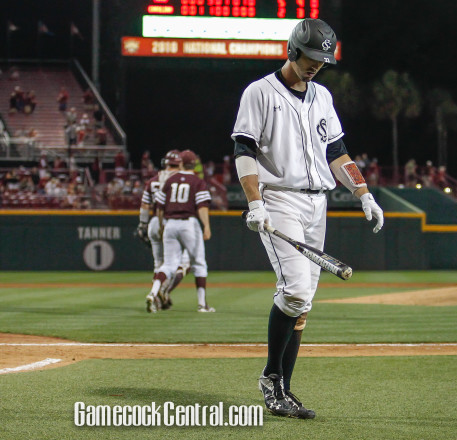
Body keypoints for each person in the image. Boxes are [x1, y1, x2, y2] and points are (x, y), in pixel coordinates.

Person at [231, 18, 384, 419]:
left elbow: (338, 153)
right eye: (312, 56)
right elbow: (244, 150)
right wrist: (254, 202)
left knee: (304, 303)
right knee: (296, 289)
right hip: (279, 200)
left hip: (319, 204)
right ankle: (271, 377)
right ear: (293, 49)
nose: (317, 64)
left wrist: (363, 192)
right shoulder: (260, 92)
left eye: (323, 58)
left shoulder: (322, 97)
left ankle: (283, 388)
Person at [146, 149, 213, 313]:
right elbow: (202, 206)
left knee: (168, 264)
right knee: (199, 263)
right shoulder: (197, 182)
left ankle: (153, 292)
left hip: (170, 224)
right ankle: (202, 304)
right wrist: (206, 226)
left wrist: (162, 225)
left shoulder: (170, 180)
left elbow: (159, 208)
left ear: (181, 163)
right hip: (188, 223)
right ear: (194, 164)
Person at [137, 150, 190, 311]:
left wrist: (142, 225)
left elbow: (145, 205)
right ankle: (161, 292)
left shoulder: (153, 180)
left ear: (165, 163)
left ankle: (157, 297)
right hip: (174, 223)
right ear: (180, 163)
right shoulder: (183, 180)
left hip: (154, 222)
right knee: (182, 263)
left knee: (159, 264)